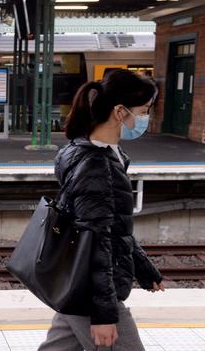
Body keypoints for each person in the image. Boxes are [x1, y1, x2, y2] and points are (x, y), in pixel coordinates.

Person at [38, 69, 164, 351]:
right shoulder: (97, 165)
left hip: (77, 282)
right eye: (143, 111)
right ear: (120, 112)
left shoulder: (86, 149)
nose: (145, 119)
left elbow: (111, 225)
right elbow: (95, 239)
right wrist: (104, 315)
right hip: (91, 291)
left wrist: (143, 268)